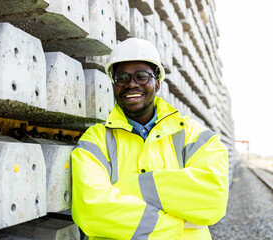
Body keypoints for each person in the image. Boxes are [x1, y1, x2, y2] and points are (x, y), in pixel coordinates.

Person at [71, 38, 229, 239]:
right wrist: (178, 225)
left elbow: (213, 198)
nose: (131, 84)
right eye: (122, 78)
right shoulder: (95, 140)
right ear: (114, 84)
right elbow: (91, 210)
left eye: (141, 76)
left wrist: (126, 189)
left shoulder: (193, 134)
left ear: (157, 83)